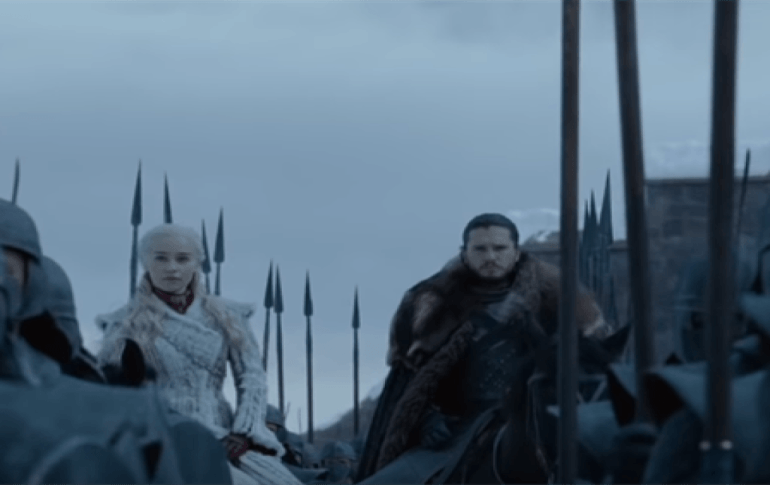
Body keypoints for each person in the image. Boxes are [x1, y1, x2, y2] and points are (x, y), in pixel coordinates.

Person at [356, 213, 609, 484]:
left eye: (499, 248)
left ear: (516, 252)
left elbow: (587, 369)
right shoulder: (433, 304)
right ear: (464, 253)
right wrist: (427, 420)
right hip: (457, 429)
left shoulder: (556, 300)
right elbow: (409, 382)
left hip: (542, 423)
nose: (490, 257)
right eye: (480, 249)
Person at [97, 223, 302, 485]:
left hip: (226, 436)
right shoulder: (123, 323)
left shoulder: (228, 316)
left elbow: (252, 377)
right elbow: (108, 389)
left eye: (182, 259)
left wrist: (244, 432)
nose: (172, 268)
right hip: (158, 433)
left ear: (197, 262)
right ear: (146, 262)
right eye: (161, 258)